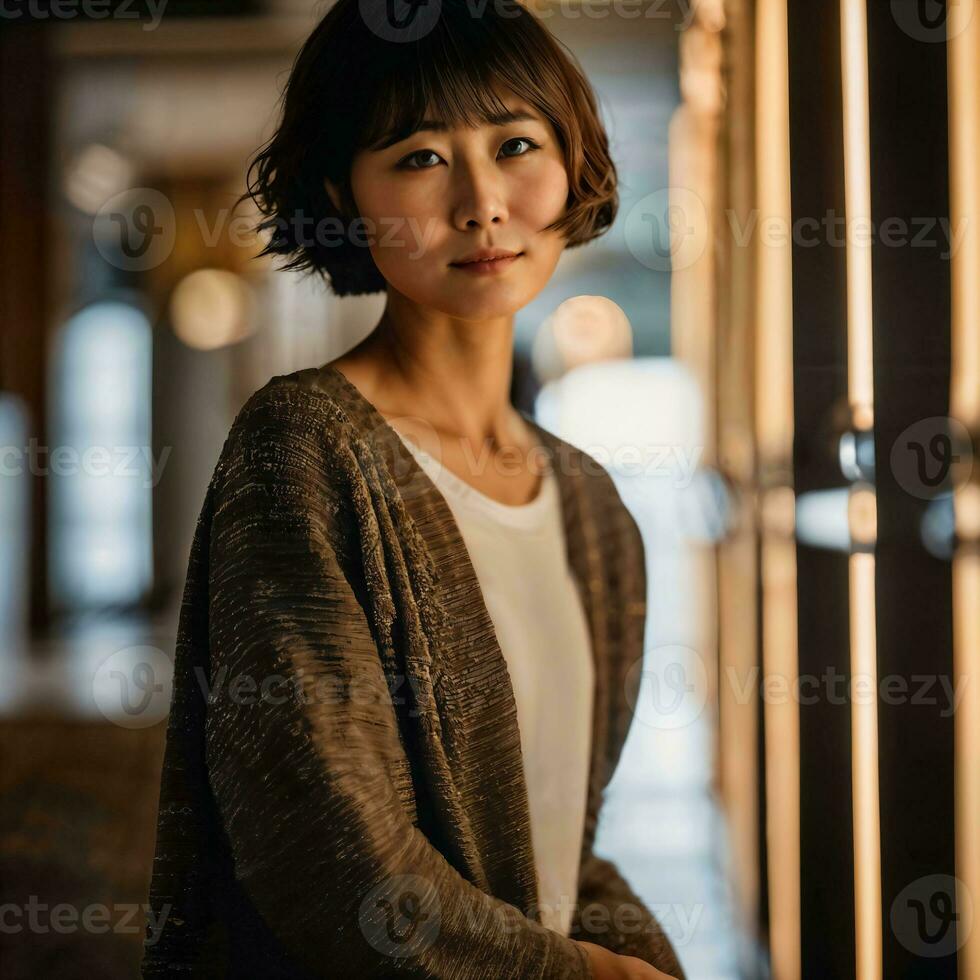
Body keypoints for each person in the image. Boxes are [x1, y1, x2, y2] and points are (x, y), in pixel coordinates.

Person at [141, 1, 686, 978]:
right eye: (420, 157)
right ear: (339, 194)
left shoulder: (592, 506)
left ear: (572, 166)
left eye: (515, 143)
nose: (481, 202)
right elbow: (328, 856)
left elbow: (553, 843)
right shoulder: (301, 448)